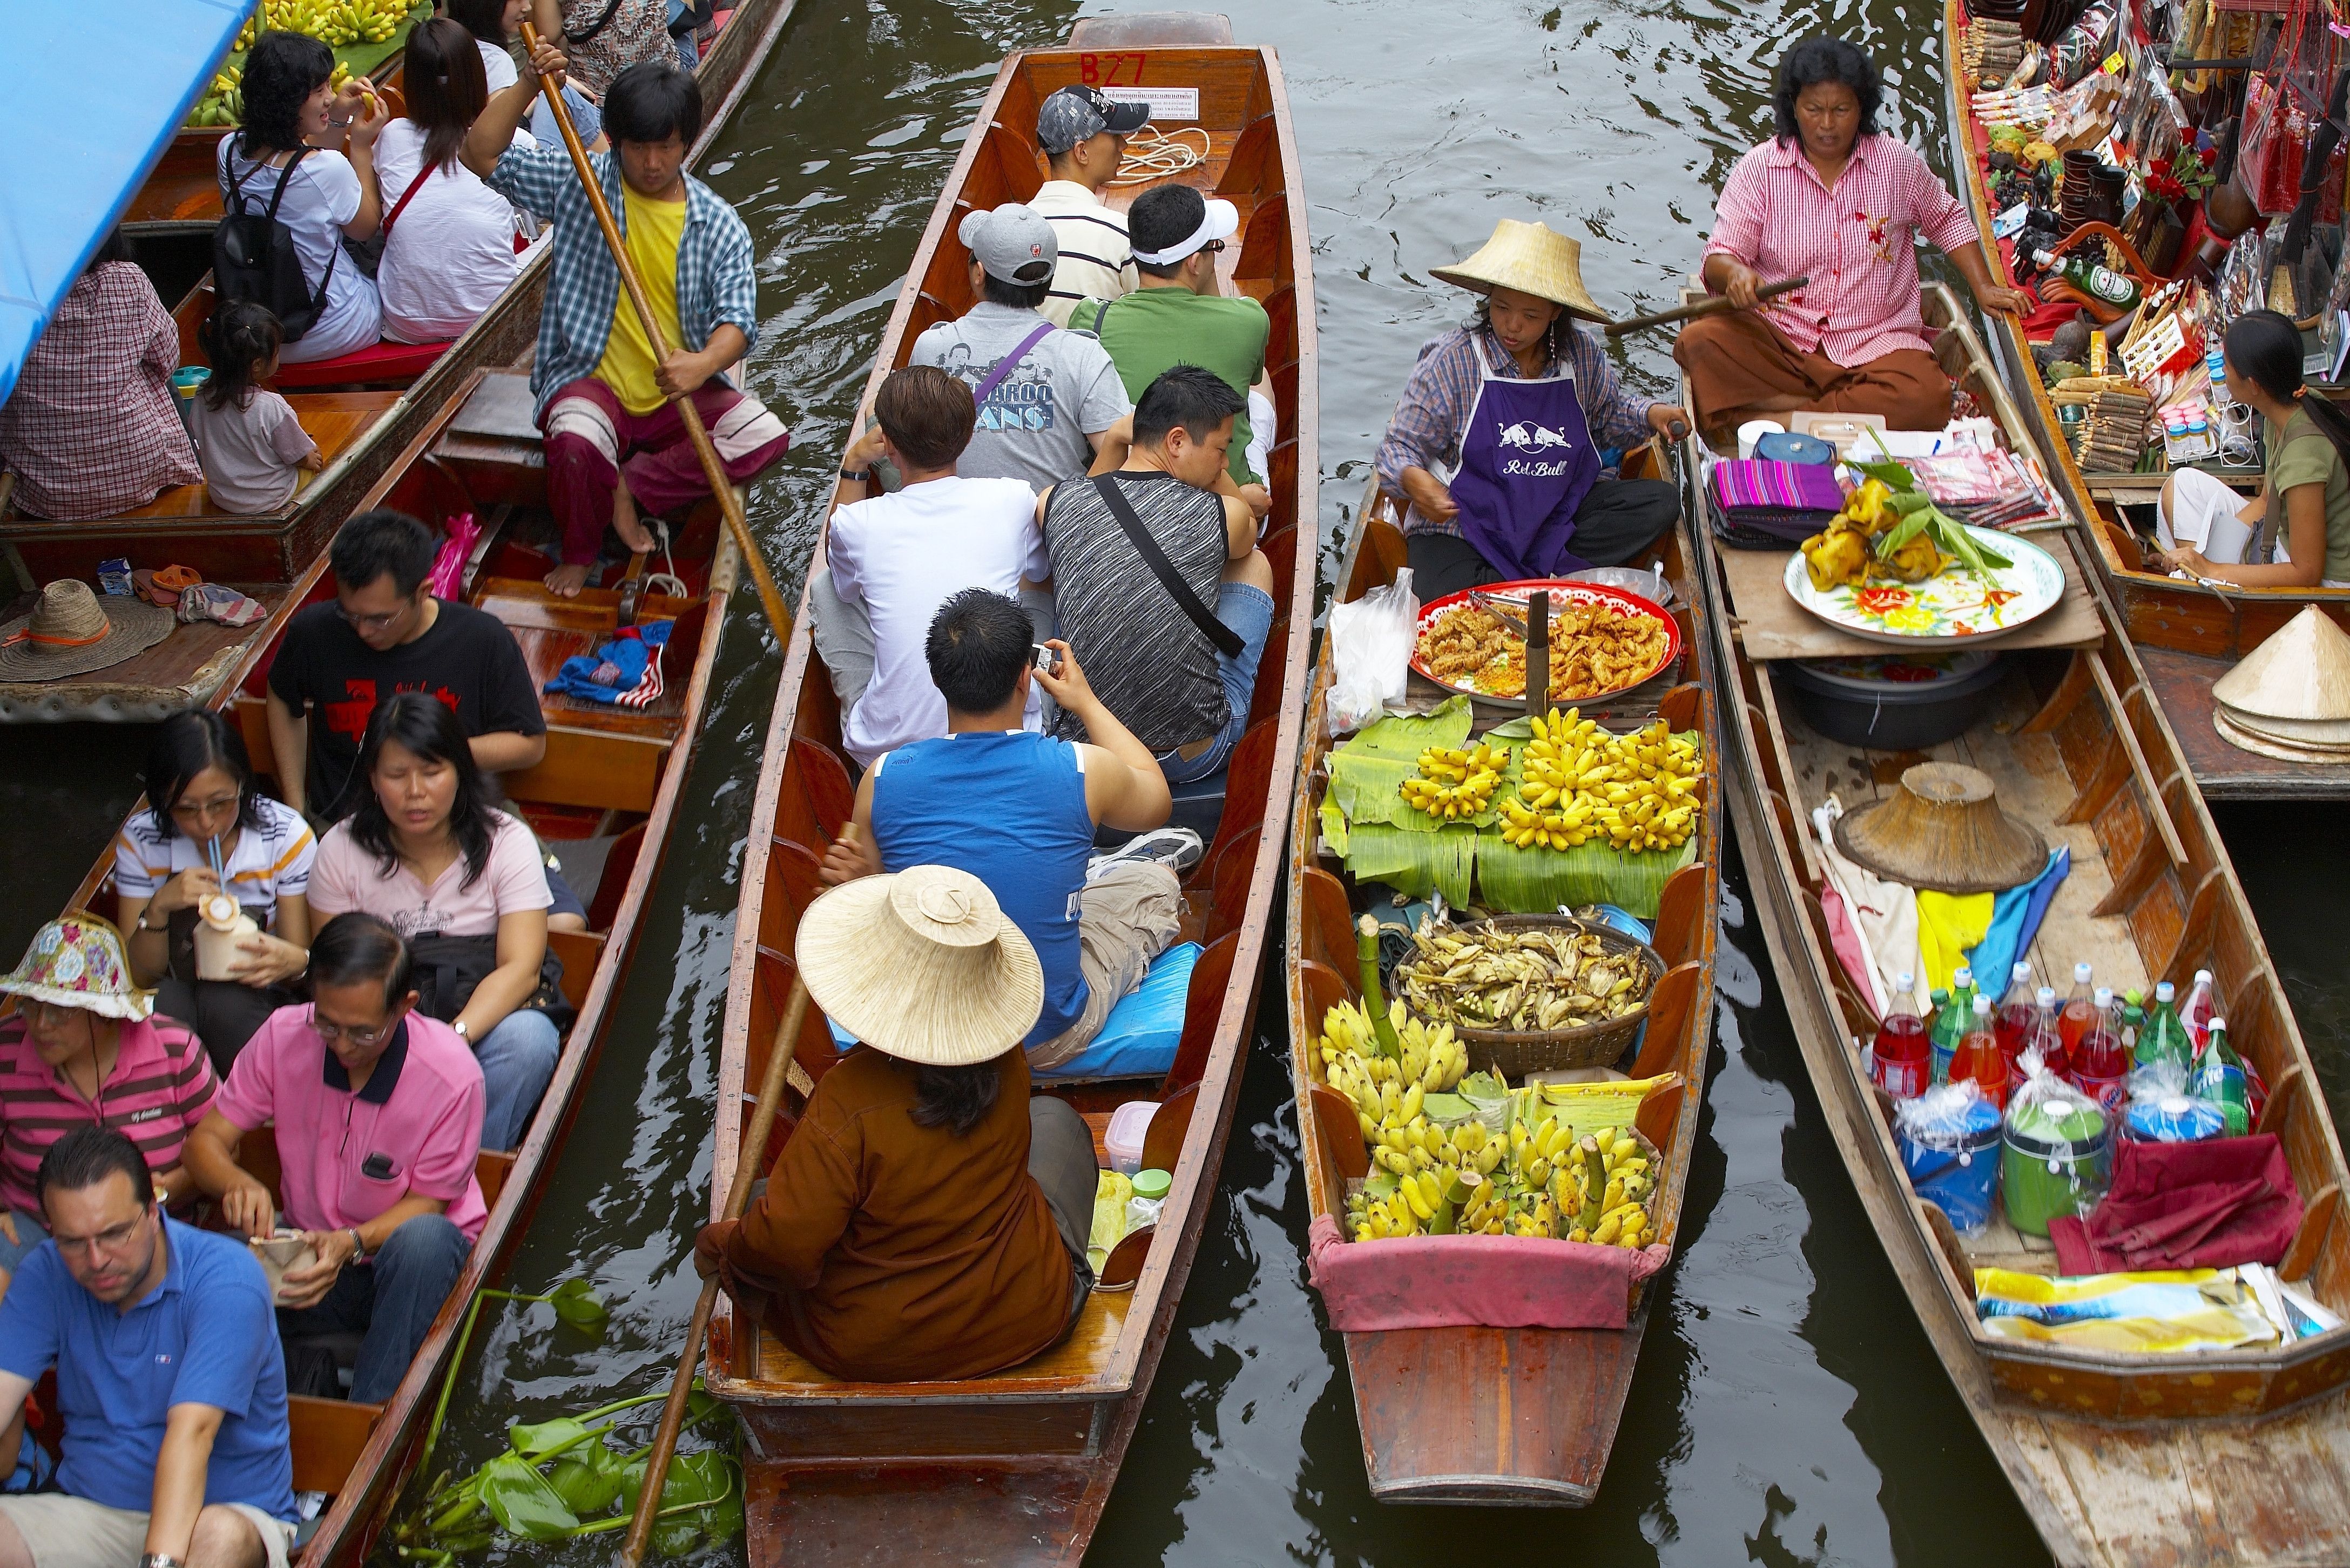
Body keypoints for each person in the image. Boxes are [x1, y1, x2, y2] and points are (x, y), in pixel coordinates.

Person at [692, 864, 1100, 1380]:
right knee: (1055, 1121)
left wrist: (722, 1245)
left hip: (872, 1349)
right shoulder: (1009, 1059)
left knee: (756, 1207)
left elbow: (786, 1254)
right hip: (1029, 1315)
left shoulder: (849, 1099)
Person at [467, 45, 790, 597]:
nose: (652, 164)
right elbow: (481, 154)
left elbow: (738, 321)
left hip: (671, 394)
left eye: (665, 148)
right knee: (573, 441)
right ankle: (580, 549)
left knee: (763, 436)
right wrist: (527, 83)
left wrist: (705, 362)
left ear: (686, 142)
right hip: (592, 379)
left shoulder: (717, 223)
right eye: (637, 148)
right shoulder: (585, 183)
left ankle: (628, 489)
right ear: (616, 143)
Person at [820, 590, 1184, 1070]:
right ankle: (1088, 876)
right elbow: (1156, 800)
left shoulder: (882, 778)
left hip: (932, 1039)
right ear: (1023, 679)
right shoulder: (1081, 769)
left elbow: (890, 913)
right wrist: (1085, 701)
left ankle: (1079, 877)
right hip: (1043, 1038)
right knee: (1153, 882)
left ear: (938, 679)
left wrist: (862, 883)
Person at [184, 915, 484, 1404]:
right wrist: (237, 1184)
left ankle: (370, 1420)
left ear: (405, 1008)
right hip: (311, 1255)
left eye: (363, 1033)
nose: (343, 1046)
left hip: (407, 1267)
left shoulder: (453, 1076)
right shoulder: (285, 1034)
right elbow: (203, 1144)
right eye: (327, 1025)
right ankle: (249, 1411)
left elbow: (429, 1204)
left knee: (426, 1242)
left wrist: (350, 1242)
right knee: (209, 1265)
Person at [1675, 36, 2030, 443]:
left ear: (1861, 108)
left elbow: (1946, 218)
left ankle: (1787, 416)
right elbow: (1720, 255)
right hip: (1784, 340)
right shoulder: (1760, 169)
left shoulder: (1895, 164)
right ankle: (1832, 409)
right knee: (1698, 343)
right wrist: (1736, 275)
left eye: (1841, 110)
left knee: (1926, 396)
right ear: (1794, 108)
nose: (1827, 125)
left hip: (1876, 343)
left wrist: (1984, 289)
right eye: (1814, 110)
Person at [0, 1127, 296, 1568]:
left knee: (220, 1538)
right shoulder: (46, 1274)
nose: (97, 1260)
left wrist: (160, 1564)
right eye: (73, 1242)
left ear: (154, 1210)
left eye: (115, 1233)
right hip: (92, 1512)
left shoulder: (225, 1278)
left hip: (223, 1515)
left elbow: (192, 1434)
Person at [1373, 219, 1690, 599]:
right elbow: (1396, 449)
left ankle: (1511, 590)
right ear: (1488, 297)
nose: (1513, 325)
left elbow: (1609, 419)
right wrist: (1414, 480)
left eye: (1531, 315)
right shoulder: (1452, 361)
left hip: (1551, 518)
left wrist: (1651, 414)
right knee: (1439, 599)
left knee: (1660, 503)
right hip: (1468, 528)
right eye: (1502, 307)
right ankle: (1542, 587)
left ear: (1556, 312)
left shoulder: (1581, 357)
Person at [306, 696, 561, 1151]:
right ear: (373, 779)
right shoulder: (340, 850)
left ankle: (471, 1168)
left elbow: (521, 968)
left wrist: (453, 1039)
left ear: (461, 771)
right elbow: (337, 971)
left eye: (432, 772)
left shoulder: (507, 842)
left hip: (477, 1020)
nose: (416, 792)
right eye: (397, 775)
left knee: (531, 1040)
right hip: (380, 1023)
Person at [1039, 365, 1274, 785]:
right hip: (1184, 758)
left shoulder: (1053, 503)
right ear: (1177, 441)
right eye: (1221, 450)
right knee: (1254, 564)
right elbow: (1250, 535)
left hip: (1091, 757)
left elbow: (1089, 512)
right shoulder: (1223, 514)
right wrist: (1213, 474)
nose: (1224, 462)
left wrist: (1114, 439)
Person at [807, 366, 1050, 767]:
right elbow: (1038, 579)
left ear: (888, 446)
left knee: (826, 588)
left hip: (892, 752)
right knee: (1035, 588)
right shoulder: (1014, 498)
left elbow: (845, 587)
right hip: (1013, 732)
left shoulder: (857, 523)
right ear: (968, 437)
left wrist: (853, 464)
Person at [265, 509, 546, 826]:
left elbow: (530, 746)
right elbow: (282, 697)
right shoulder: (314, 632)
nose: (363, 632)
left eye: (380, 618)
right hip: (343, 827)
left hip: (449, 827)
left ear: (422, 592)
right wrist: (296, 812)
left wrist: (427, 755)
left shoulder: (482, 639)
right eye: (350, 614)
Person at [0, 916, 218, 1308]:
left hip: (149, 1230)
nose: (41, 1025)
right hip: (36, 1229)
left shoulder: (174, 1049)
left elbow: (222, 1147)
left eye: (62, 1011)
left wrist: (169, 1188)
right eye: (31, 1006)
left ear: (105, 1013)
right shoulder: (5, 1049)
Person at [116, 711, 316, 1075]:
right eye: (186, 809)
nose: (207, 823)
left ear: (242, 784)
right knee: (165, 1003)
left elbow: (295, 962)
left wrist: (296, 960)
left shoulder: (285, 836)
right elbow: (138, 978)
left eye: (221, 803)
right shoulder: (142, 839)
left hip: (256, 993)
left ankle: (250, 1109)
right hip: (174, 983)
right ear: (162, 801)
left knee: (225, 1001)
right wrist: (159, 907)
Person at [908, 204, 1132, 496]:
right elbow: (1123, 462)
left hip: (956, 533)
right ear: (1048, 280)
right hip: (1051, 535)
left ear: (979, 273)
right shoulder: (1083, 355)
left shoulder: (930, 348)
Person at [1075, 184, 1272, 514]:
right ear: (1195, 263)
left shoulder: (1092, 318)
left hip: (1124, 505)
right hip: (1227, 502)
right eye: (1214, 248)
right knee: (1260, 383)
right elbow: (1243, 372)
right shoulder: (1250, 320)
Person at [0, 231, 201, 521]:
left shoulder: (11, 294)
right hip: (141, 468)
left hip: (50, 492)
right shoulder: (128, 279)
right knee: (163, 379)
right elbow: (167, 360)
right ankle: (193, 465)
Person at [217, 31, 392, 363]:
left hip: (261, 336)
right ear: (286, 102)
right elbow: (366, 227)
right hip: (333, 327)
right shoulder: (328, 170)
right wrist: (359, 147)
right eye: (319, 91)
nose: (329, 97)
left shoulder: (227, 151)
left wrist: (337, 116)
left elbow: (302, 174)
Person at [2158, 310, 2350, 588]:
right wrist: (2205, 555)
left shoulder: (2303, 458)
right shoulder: (2287, 404)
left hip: (2323, 582)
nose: (2223, 372)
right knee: (2182, 485)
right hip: (2279, 534)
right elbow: (2265, 502)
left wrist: (2212, 570)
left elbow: (2307, 573)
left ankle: (2196, 588)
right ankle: (2187, 573)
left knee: (2207, 572)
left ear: (2254, 385)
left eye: (2228, 365)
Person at [374, 19, 528, 344]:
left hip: (407, 323)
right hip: (490, 320)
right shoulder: (517, 144)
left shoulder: (391, 137)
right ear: (477, 79)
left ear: (412, 85)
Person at [1028, 85, 1150, 327]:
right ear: (1082, 152)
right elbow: (1149, 317)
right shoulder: (1120, 234)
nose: (1123, 145)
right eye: (1115, 136)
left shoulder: (1016, 226)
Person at [189, 300, 323, 516]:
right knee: (319, 464)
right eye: (277, 352)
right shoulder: (271, 408)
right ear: (258, 365)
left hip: (224, 498)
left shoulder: (202, 394)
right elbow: (298, 454)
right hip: (270, 498)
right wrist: (310, 459)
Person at [444, 0, 603, 152]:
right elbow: (493, 122)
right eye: (518, 0)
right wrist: (541, 86)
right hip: (492, 161)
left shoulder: (449, 46)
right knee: (566, 96)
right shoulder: (495, 59)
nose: (527, 7)